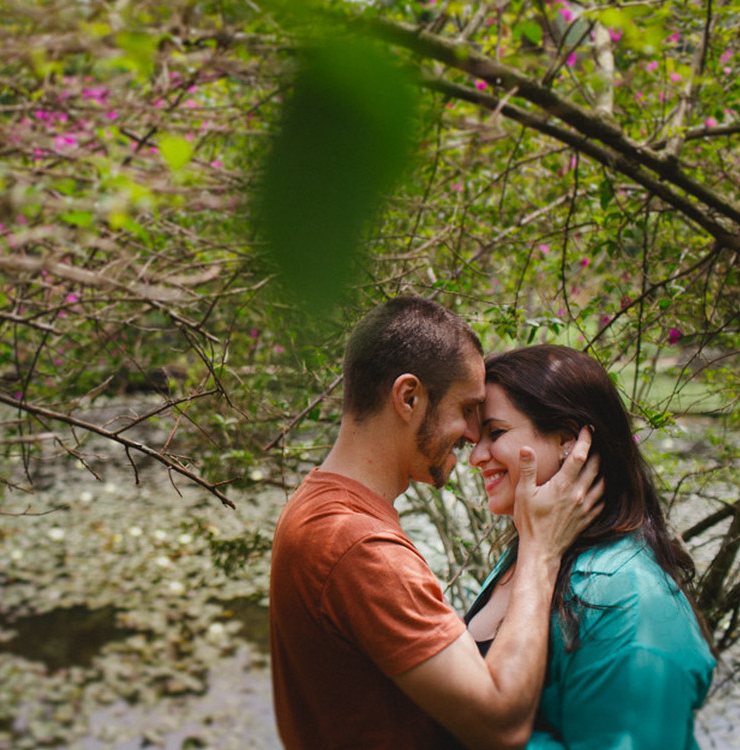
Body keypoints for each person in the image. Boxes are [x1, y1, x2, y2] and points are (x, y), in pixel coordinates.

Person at [269, 296, 603, 750]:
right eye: (466, 409)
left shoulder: (313, 504)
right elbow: (501, 725)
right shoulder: (358, 547)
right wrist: (541, 549)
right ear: (409, 398)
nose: (473, 436)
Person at [466, 344, 716, 749]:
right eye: (475, 439)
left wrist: (458, 731)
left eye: (495, 433)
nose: (476, 457)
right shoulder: (531, 552)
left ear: (568, 440)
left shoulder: (629, 599)